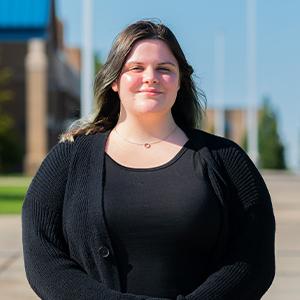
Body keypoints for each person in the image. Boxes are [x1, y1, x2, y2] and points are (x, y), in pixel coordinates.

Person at [22, 20, 275, 300]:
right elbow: (43, 256)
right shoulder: (68, 159)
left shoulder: (227, 160)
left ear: (180, 81)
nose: (151, 77)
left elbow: (254, 259)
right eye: (136, 68)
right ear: (115, 80)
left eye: (165, 69)